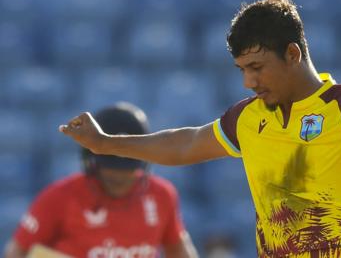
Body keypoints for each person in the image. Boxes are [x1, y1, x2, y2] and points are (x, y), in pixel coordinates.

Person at [58, 0, 341, 258]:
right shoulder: (248, 118)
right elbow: (184, 146)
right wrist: (107, 143)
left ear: (292, 54)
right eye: (241, 70)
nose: (248, 82)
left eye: (256, 67)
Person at [4, 102, 198, 258]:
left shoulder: (162, 195)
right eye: (110, 170)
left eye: (127, 171)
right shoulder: (60, 197)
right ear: (91, 163)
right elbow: (17, 252)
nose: (119, 179)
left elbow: (179, 250)